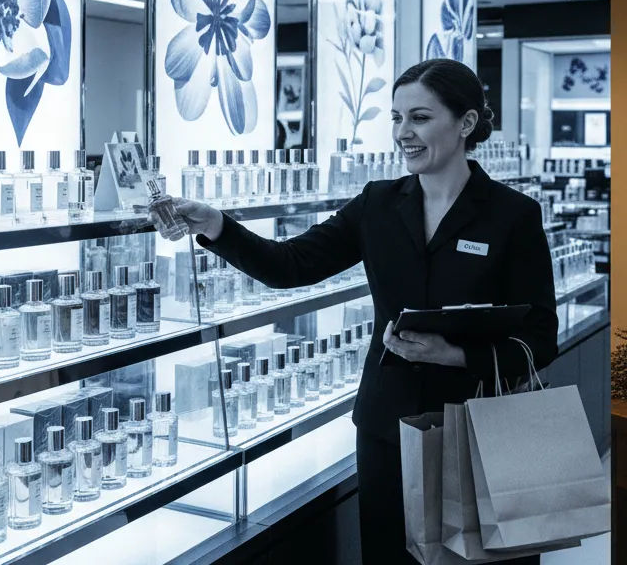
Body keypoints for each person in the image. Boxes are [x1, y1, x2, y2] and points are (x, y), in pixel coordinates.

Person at [154, 59, 556, 564]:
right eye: (395, 118)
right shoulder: (377, 205)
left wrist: (454, 354)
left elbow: (540, 337)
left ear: (467, 123)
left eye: (420, 118)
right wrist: (217, 225)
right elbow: (290, 265)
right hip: (387, 427)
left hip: (479, 427)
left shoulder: (512, 215)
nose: (403, 133)